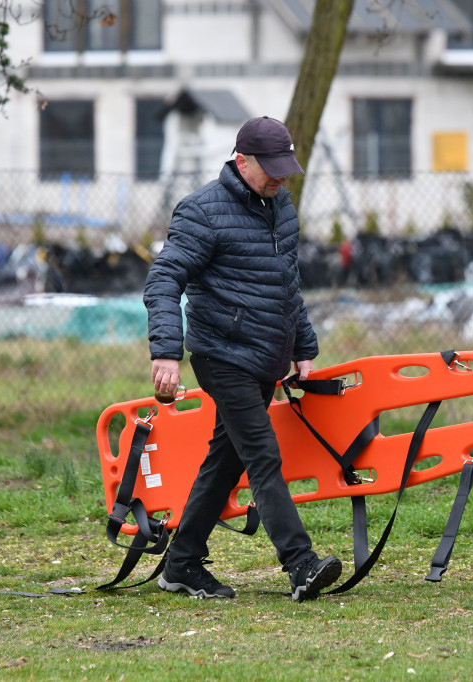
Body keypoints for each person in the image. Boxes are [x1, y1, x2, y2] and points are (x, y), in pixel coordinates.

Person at [144, 116, 342, 601]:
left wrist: (303, 347)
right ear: (241, 161)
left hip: (265, 357)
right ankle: (300, 564)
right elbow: (164, 279)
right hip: (221, 354)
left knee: (225, 461)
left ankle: (181, 563)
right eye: (270, 168)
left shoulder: (282, 208)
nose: (279, 178)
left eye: (284, 167)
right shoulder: (202, 212)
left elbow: (288, 286)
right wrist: (166, 353)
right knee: (262, 453)